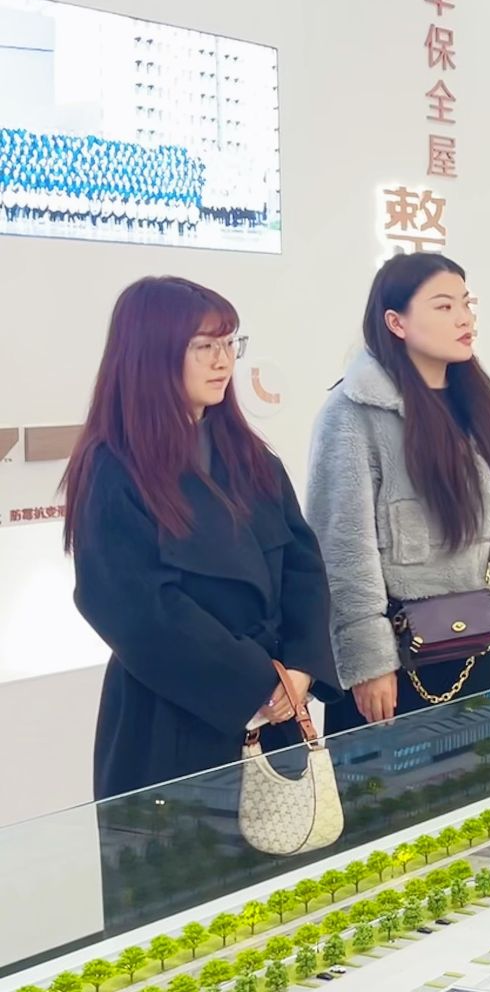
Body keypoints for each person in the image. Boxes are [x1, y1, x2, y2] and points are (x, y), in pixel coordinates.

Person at [62, 277, 336, 799]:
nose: (223, 361)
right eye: (204, 346)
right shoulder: (112, 468)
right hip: (172, 718)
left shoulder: (253, 456)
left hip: (279, 709)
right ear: (152, 353)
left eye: (229, 343)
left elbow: (304, 566)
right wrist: (257, 683)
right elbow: (138, 610)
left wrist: (301, 667)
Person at [307, 253, 490, 728]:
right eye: (444, 306)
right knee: (386, 777)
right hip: (396, 652)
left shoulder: (483, 401)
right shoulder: (353, 411)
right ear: (396, 322)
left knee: (480, 774)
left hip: (477, 639)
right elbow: (341, 548)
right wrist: (369, 659)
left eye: (466, 303)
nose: (464, 318)